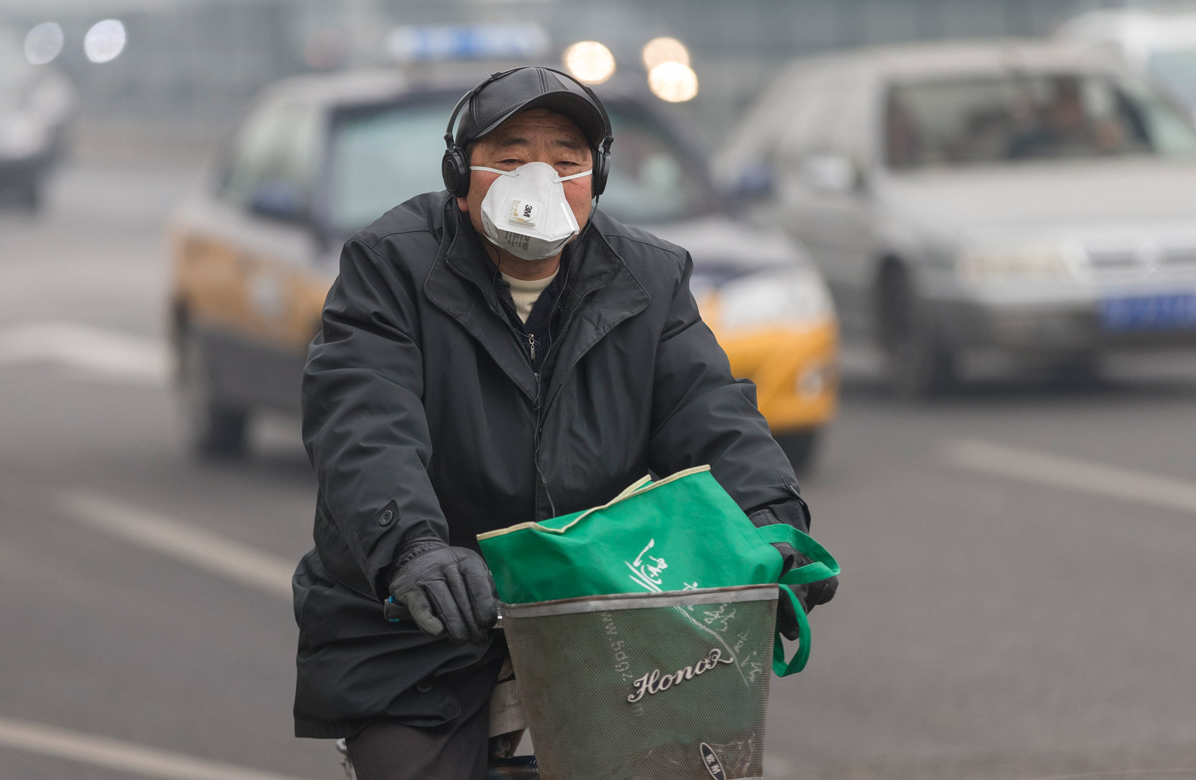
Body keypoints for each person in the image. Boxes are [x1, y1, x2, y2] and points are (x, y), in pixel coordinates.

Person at [292, 66, 837, 779]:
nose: (538, 180)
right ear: (461, 175)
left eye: (565, 160)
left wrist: (771, 526)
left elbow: (710, 411)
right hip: (419, 624)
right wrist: (411, 549)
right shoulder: (389, 266)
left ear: (597, 177)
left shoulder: (648, 277)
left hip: (597, 613)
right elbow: (364, 421)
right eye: (511, 159)